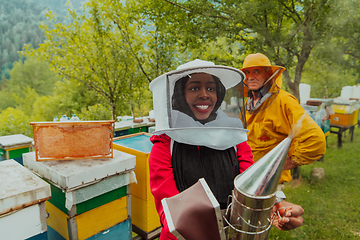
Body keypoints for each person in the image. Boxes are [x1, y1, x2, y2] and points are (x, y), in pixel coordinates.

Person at [148, 59, 304, 240]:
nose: (204, 94)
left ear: (219, 93)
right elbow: (170, 212)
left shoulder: (234, 139)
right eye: (194, 88)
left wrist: (274, 208)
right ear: (180, 95)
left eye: (211, 88)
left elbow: (251, 187)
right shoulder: (165, 146)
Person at [240, 53, 326, 184]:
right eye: (247, 72)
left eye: (256, 72)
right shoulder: (246, 105)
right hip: (247, 177)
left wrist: (290, 162)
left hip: (271, 183)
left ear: (269, 74)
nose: (250, 77)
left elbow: (315, 139)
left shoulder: (284, 101)